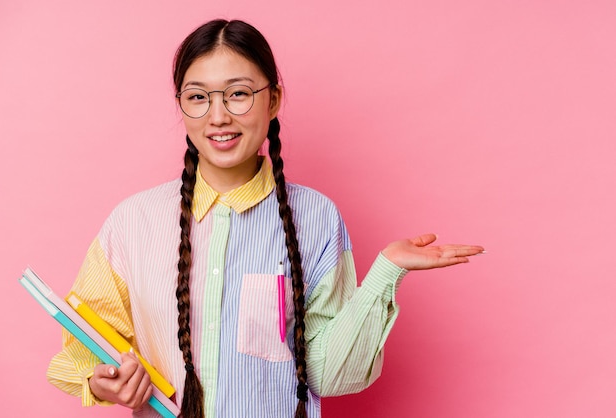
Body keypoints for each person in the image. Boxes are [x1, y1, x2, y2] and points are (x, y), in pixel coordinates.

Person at [46, 19, 484, 418]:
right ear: (180, 106)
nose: (218, 117)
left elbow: (331, 375)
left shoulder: (315, 218)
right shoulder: (133, 222)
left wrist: (385, 273)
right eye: (198, 97)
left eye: (238, 94)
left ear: (272, 99)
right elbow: (81, 345)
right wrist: (101, 382)